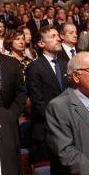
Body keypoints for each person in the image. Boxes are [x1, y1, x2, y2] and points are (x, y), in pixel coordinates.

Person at [26, 26, 68, 161]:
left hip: (68, 128)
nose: (59, 39)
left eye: (58, 36)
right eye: (53, 36)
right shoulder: (34, 67)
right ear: (41, 43)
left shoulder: (65, 64)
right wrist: (59, 120)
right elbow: (38, 103)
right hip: (46, 129)